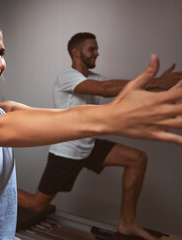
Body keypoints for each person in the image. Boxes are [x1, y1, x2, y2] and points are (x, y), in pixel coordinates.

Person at [0, 15, 182, 240]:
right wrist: (113, 117)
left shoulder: (3, 110)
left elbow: (68, 116)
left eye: (2, 53)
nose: (0, 62)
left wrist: (120, 110)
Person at [17, 32, 182, 240]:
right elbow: (105, 90)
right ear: (76, 52)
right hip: (67, 150)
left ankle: (127, 222)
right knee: (37, 204)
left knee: (137, 159)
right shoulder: (67, 76)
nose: (97, 53)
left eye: (96, 49)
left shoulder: (94, 77)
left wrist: (168, 92)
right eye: (92, 49)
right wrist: (157, 81)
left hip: (89, 144)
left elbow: (126, 94)